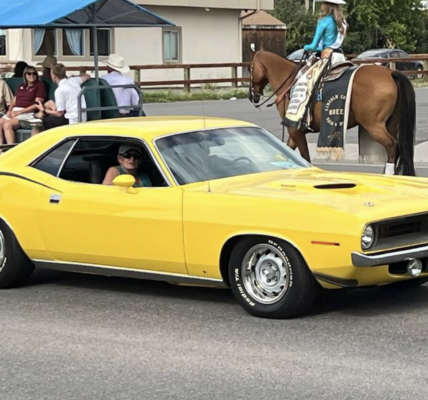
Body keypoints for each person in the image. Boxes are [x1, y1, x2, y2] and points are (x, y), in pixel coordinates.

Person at [284, 0, 347, 131]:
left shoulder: (324, 21)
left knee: (303, 79)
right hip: (340, 57)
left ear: (326, 6)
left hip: (327, 58)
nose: (321, 6)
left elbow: (313, 45)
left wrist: (305, 47)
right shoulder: (342, 22)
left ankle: (304, 114)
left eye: (323, 4)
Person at [31, 63, 90, 135]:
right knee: (49, 103)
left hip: (72, 120)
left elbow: (59, 114)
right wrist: (75, 76)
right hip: (82, 116)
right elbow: (88, 76)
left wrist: (44, 110)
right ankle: (39, 115)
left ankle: (38, 117)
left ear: (54, 76)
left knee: (37, 125)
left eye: (51, 74)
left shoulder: (59, 90)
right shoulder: (74, 80)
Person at [0, 66, 46, 145]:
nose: (32, 75)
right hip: (15, 111)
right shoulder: (21, 85)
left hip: (27, 112)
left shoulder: (39, 85)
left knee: (7, 125)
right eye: (29, 73)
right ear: (25, 75)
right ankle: (1, 149)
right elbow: (14, 101)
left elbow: (37, 104)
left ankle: (12, 149)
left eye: (34, 73)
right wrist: (9, 110)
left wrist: (19, 112)